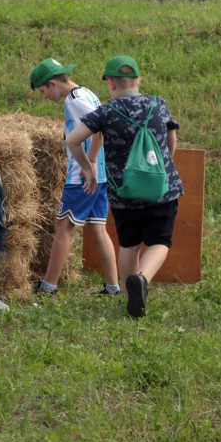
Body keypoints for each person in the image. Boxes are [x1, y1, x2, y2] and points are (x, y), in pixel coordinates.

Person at [66, 55, 184, 318]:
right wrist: (163, 169)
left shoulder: (106, 112)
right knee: (160, 241)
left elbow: (73, 140)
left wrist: (88, 168)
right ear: (138, 80)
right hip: (161, 192)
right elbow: (171, 139)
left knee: (129, 244)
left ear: (111, 84)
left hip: (124, 194)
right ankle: (142, 279)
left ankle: (130, 298)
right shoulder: (158, 104)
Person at [29, 58, 119, 296]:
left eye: (43, 91)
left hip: (83, 177)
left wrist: (89, 165)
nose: (44, 97)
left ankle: (48, 287)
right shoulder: (86, 93)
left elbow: (100, 128)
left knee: (63, 226)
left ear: (53, 84)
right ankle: (113, 287)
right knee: (98, 229)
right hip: (100, 176)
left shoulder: (74, 101)